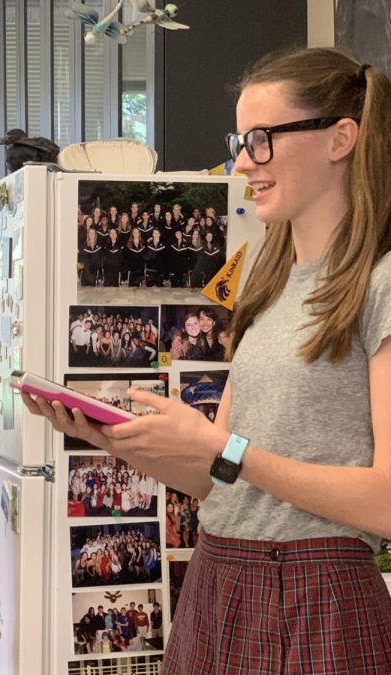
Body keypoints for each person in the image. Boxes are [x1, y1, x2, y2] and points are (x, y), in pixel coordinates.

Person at [21, 47, 391, 674]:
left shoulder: (379, 284)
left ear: (340, 139)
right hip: (221, 575)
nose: (243, 160)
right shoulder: (268, 284)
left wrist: (225, 451)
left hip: (316, 595)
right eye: (240, 140)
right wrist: (122, 442)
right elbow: (218, 481)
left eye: (261, 139)